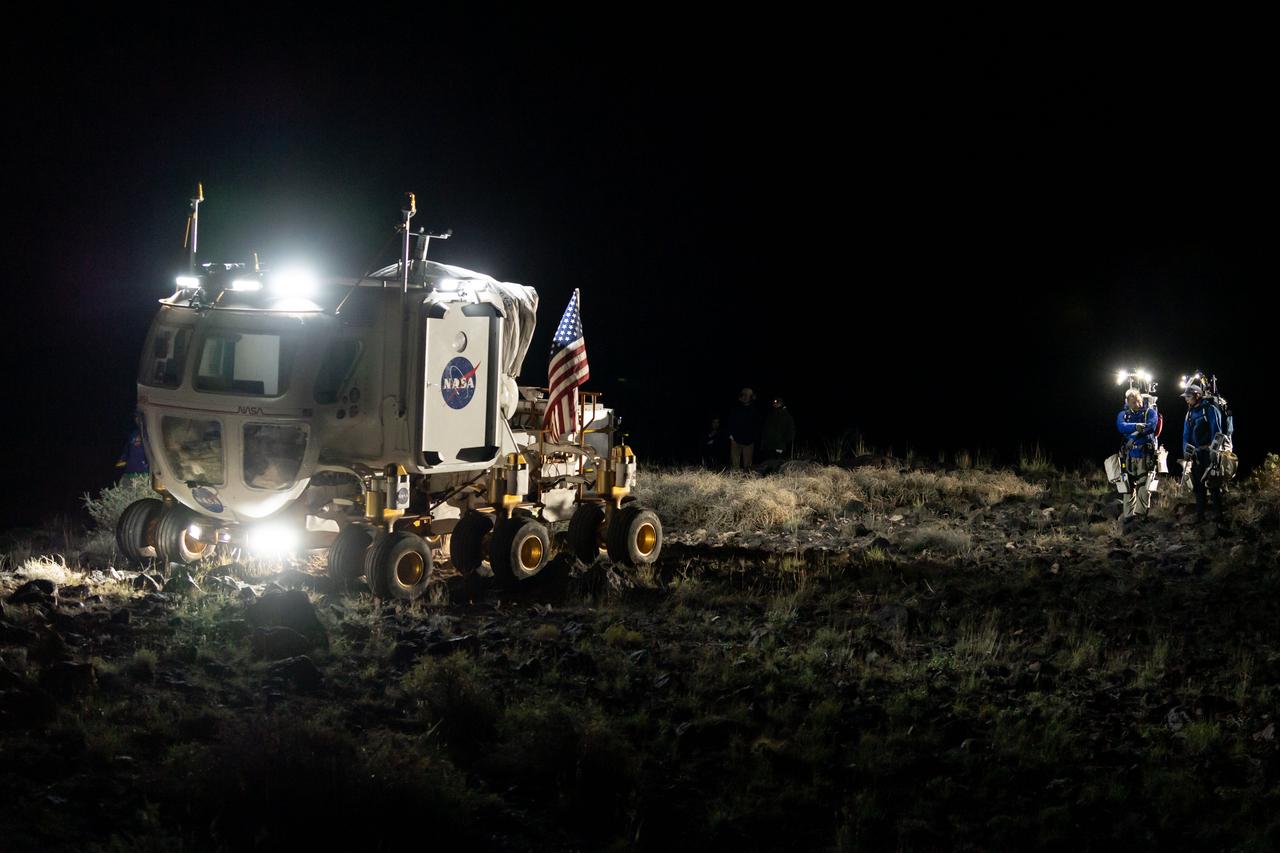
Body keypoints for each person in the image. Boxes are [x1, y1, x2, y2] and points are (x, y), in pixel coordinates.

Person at [1182, 383, 1225, 522]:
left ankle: (1219, 515)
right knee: (1198, 486)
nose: (1186, 399)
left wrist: (1214, 451)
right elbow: (1186, 434)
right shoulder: (1190, 413)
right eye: (1186, 397)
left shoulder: (1210, 409)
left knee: (1213, 484)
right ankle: (1200, 515)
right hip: (1196, 454)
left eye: (1188, 396)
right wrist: (1186, 450)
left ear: (1197, 395)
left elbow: (1217, 431)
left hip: (1208, 453)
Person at [1115, 388, 1158, 524]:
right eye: (1134, 402)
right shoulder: (1123, 414)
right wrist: (1136, 426)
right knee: (1127, 486)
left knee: (1144, 486)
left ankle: (1141, 516)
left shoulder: (1150, 412)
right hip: (1128, 455)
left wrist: (1133, 435)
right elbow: (1121, 426)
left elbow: (1151, 426)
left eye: (1139, 401)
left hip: (1145, 455)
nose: (1138, 404)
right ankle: (1129, 516)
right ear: (1128, 402)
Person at [726, 387, 761, 470]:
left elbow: (758, 426)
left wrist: (753, 438)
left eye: (747, 395)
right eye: (743, 395)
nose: (745, 397)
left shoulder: (755, 410)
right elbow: (730, 422)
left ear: (751, 397)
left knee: (747, 466)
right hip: (735, 440)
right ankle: (735, 476)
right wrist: (730, 435)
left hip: (748, 442)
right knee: (734, 465)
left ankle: (746, 477)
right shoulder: (735, 409)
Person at [761, 398, 796, 465]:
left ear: (781, 403)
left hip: (779, 446)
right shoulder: (770, 414)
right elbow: (765, 430)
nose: (775, 404)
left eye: (777, 403)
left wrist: (784, 440)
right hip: (768, 446)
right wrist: (763, 444)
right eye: (774, 403)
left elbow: (791, 430)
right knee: (768, 464)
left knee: (778, 463)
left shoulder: (786, 415)